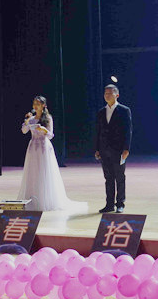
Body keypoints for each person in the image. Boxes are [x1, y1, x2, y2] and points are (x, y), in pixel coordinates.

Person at [17, 95, 86, 212]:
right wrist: (26, 121)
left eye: (38, 104)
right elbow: (24, 131)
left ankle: (45, 199)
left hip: (44, 146)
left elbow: (50, 135)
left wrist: (44, 130)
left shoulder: (48, 118)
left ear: (43, 105)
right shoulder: (31, 118)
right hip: (33, 147)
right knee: (33, 172)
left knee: (44, 171)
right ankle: (32, 199)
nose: (35, 106)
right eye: (34, 104)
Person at [94, 84, 132, 213]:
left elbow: (128, 131)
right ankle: (109, 204)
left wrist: (126, 149)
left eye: (110, 93)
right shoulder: (101, 112)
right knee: (108, 178)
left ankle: (120, 203)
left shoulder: (124, 110)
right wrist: (97, 148)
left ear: (117, 95)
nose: (107, 96)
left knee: (120, 177)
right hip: (104, 149)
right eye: (106, 94)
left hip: (119, 149)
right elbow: (98, 131)